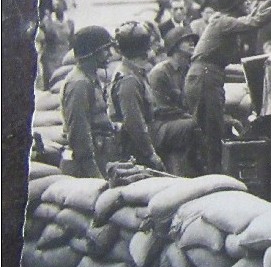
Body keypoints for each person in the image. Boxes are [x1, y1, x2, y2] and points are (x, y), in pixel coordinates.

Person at [185, 0, 271, 173]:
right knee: (212, 132)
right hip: (205, 77)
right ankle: (213, 174)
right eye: (244, 1)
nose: (248, 4)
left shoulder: (225, 20)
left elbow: (253, 16)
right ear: (234, 4)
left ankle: (214, 171)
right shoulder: (224, 22)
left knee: (214, 128)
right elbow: (255, 22)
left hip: (207, 76)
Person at [107, 22, 167, 172]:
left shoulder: (134, 72)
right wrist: (151, 154)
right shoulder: (129, 80)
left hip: (139, 143)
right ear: (145, 50)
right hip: (134, 149)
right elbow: (134, 123)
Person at [60, 26, 116, 178]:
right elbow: (79, 134)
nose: (110, 54)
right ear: (93, 53)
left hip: (98, 157)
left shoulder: (90, 78)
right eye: (105, 50)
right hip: (84, 166)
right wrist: (95, 175)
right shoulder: (79, 84)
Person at [148, 26, 202, 176]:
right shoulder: (160, 73)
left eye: (193, 40)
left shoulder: (189, 69)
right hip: (161, 126)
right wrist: (193, 117)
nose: (192, 43)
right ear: (174, 45)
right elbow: (162, 110)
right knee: (197, 124)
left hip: (180, 122)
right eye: (187, 40)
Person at [38, 0, 74, 90]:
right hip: (51, 57)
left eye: (59, 5)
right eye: (55, 5)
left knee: (65, 83)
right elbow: (42, 38)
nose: (57, 7)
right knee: (52, 83)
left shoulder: (69, 22)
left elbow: (72, 40)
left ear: (64, 6)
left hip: (64, 55)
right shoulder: (47, 22)